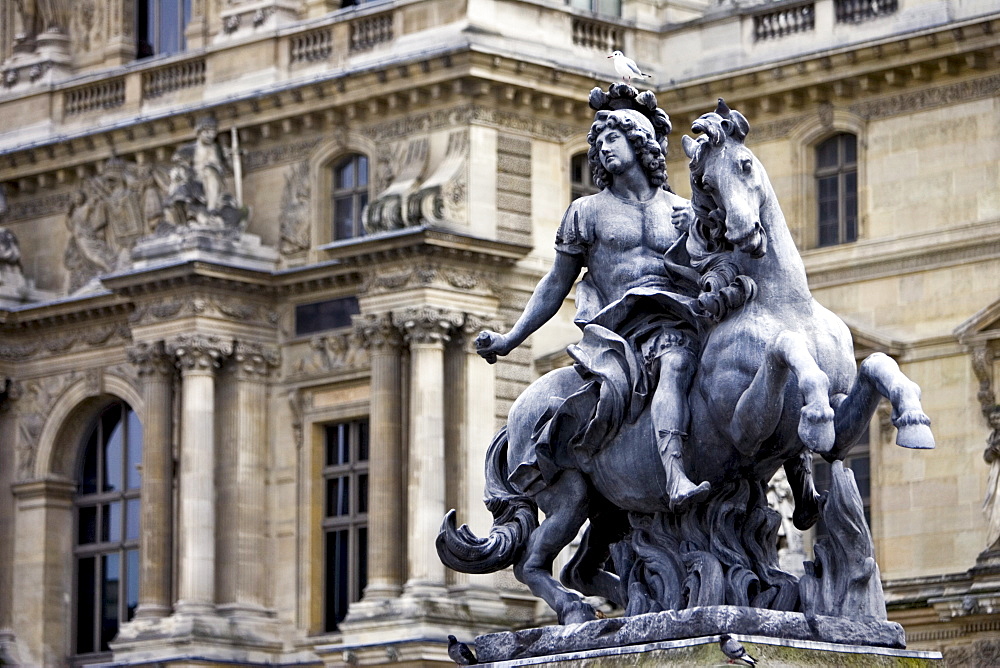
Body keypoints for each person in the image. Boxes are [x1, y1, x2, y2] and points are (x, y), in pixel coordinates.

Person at [476, 107, 711, 510]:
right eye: (597, 144)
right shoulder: (586, 212)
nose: (603, 148)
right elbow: (555, 283)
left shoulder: (681, 208)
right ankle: (675, 477)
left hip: (679, 315)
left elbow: (714, 267)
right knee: (674, 361)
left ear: (639, 143)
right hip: (619, 329)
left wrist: (702, 225)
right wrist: (510, 339)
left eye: (612, 139)